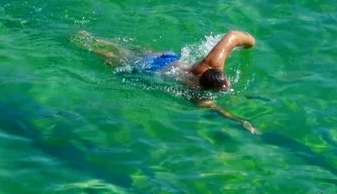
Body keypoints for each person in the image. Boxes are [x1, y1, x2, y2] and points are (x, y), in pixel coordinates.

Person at [76, 29, 258, 133]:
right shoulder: (194, 94)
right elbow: (219, 110)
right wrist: (241, 121)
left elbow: (233, 35)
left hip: (167, 59)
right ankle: (87, 43)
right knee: (114, 58)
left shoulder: (212, 63)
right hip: (153, 69)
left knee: (134, 50)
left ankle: (94, 38)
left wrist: (251, 42)